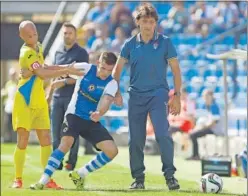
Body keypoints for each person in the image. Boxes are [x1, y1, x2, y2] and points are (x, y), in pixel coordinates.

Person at [112, 3, 181, 190]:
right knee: (136, 140)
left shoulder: (165, 42)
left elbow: (176, 71)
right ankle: (138, 179)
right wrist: (116, 92)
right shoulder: (129, 44)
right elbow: (116, 71)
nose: (148, 25)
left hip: (159, 95)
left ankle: (170, 176)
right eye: (144, 21)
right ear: (138, 22)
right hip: (135, 97)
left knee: (163, 135)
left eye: (151, 22)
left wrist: (177, 96)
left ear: (156, 23)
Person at [30, 52, 119, 190]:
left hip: (90, 119)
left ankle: (80, 174)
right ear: (98, 63)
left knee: (112, 150)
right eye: (103, 68)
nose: (105, 73)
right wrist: (48, 67)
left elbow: (106, 101)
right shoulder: (85, 68)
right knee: (65, 144)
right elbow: (65, 67)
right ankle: (43, 181)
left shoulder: (112, 83)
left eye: (109, 70)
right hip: (74, 115)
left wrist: (99, 112)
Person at [11, 20, 83, 189]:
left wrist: (66, 66)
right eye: (29, 35)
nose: (33, 37)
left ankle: (47, 179)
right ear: (21, 36)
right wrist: (67, 71)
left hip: (40, 101)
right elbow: (43, 74)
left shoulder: (39, 47)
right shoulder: (26, 53)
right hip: (25, 101)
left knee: (46, 139)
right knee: (23, 139)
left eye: (34, 34)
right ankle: (18, 179)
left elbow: (44, 67)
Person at [48, 22, 91, 171]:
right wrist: (49, 95)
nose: (67, 35)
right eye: (65, 33)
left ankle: (71, 162)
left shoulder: (81, 53)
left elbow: (83, 77)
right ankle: (57, 162)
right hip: (57, 98)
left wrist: (65, 81)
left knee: (72, 132)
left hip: (74, 98)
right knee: (55, 132)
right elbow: (54, 75)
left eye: (70, 33)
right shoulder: (58, 52)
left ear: (75, 35)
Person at [187, 89, 223, 160]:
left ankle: (196, 155)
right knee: (192, 133)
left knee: (193, 135)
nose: (205, 98)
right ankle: (195, 155)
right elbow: (201, 119)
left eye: (207, 96)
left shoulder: (214, 106)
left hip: (214, 129)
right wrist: (197, 128)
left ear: (212, 96)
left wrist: (203, 127)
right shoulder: (205, 106)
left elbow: (214, 122)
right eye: (204, 96)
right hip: (207, 128)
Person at [1, 68, 18, 143]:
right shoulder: (8, 84)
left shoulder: (17, 83)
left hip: (15, 107)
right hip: (8, 106)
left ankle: (14, 139)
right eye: (12, 75)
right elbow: (5, 94)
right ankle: (7, 138)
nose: (13, 76)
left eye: (14, 74)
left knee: (14, 124)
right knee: (7, 123)